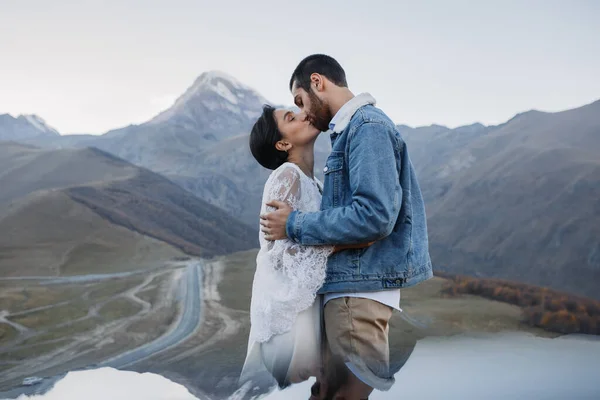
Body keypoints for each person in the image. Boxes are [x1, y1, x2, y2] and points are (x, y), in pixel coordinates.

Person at [260, 54, 433, 399]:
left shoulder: (367, 127)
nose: (304, 113)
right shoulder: (351, 132)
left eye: (300, 101)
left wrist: (293, 223)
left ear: (318, 82)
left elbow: (374, 215)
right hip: (350, 289)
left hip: (359, 293)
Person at [240, 104, 373, 390]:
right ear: (283, 143)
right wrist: (348, 242)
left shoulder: (313, 182)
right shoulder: (286, 176)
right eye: (291, 117)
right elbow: (280, 255)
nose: (303, 114)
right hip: (288, 316)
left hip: (307, 308)